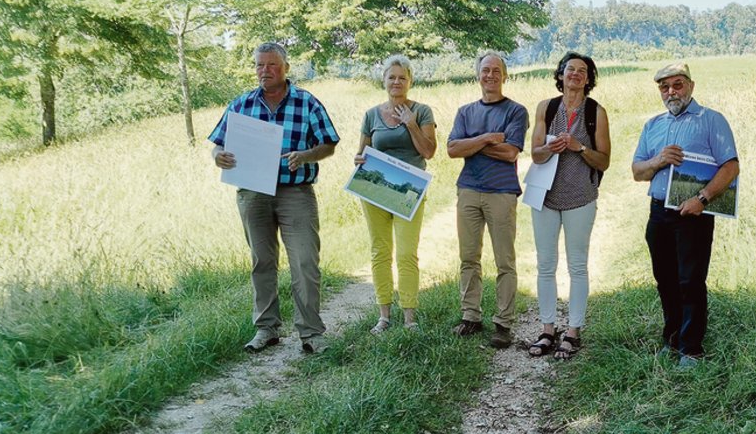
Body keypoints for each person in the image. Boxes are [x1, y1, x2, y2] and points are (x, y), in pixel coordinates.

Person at [209, 42, 340, 354]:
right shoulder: (241, 105)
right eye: (259, 65)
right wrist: (219, 157)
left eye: (271, 65)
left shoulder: (307, 102)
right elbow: (217, 143)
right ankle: (267, 329)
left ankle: (311, 333)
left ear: (286, 68)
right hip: (253, 192)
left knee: (305, 260)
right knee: (262, 261)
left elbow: (330, 144)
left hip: (295, 192)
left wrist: (306, 155)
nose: (264, 71)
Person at [631, 62, 739, 368]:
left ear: (690, 86)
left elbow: (731, 166)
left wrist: (702, 199)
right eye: (664, 87)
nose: (671, 92)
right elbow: (637, 171)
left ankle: (691, 349)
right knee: (664, 279)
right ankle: (672, 338)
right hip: (658, 212)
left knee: (690, 280)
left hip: (693, 213)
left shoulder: (711, 120)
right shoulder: (652, 125)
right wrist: (658, 160)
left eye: (677, 85)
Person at [527, 51, 612, 360]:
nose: (575, 74)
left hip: (580, 197)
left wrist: (580, 147)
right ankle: (548, 329)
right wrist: (549, 147)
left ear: (589, 79)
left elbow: (604, 160)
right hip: (545, 197)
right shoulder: (546, 108)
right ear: (560, 75)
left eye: (582, 71)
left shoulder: (596, 112)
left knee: (577, 266)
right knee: (545, 265)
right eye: (569, 69)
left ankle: (573, 332)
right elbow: (535, 155)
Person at [447, 51, 529, 349]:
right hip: (468, 190)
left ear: (504, 76)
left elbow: (510, 153)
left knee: (504, 260)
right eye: (485, 70)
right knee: (469, 257)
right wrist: (486, 139)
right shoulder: (465, 111)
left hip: (502, 192)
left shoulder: (515, 111)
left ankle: (503, 323)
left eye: (496, 70)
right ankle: (471, 316)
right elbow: (452, 150)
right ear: (478, 75)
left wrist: (471, 143)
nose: (490, 75)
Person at [354, 54, 437, 334]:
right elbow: (362, 151)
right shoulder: (371, 115)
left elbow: (428, 152)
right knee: (380, 251)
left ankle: (409, 317)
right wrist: (359, 160)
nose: (397, 82)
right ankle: (384, 315)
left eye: (402, 77)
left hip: (408, 189)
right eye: (392, 77)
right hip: (375, 189)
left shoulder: (423, 111)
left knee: (405, 253)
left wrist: (411, 123)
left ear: (410, 81)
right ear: (384, 81)